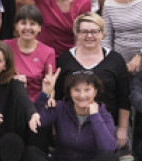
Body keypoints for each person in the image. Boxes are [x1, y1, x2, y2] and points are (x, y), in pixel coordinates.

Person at [25, 69, 120, 161]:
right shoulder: (60, 107)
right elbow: (37, 123)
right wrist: (45, 94)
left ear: (95, 91)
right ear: (69, 92)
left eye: (87, 90)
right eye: (77, 90)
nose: (82, 95)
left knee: (111, 159)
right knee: (31, 152)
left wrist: (95, 116)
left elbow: (108, 147)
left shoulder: (103, 114)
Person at [56, 12, 131, 148]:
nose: (89, 36)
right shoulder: (65, 59)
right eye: (84, 32)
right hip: (71, 125)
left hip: (106, 125)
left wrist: (122, 128)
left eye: (94, 32)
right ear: (77, 34)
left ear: (102, 33)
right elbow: (58, 96)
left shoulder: (115, 59)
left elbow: (124, 98)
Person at [5, 5, 56, 101]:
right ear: (16, 26)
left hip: (36, 104)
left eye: (32, 24)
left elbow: (50, 87)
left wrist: (50, 96)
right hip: (10, 101)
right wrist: (12, 80)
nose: (27, 27)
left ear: (39, 28)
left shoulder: (48, 52)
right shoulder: (6, 46)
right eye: (23, 23)